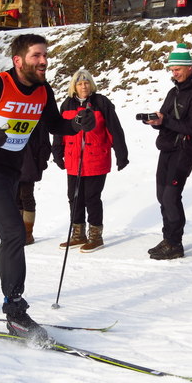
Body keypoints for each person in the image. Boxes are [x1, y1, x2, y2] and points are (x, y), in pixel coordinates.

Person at [0, 34, 95, 341]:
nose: (44, 61)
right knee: (13, 231)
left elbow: (54, 124)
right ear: (18, 60)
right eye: (37, 56)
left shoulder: (43, 90)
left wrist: (77, 124)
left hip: (11, 171)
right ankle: (15, 312)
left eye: (45, 55)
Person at [52, 69, 129, 253]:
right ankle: (78, 234)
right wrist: (57, 152)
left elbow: (114, 129)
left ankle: (96, 236)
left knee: (92, 198)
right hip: (74, 159)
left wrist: (121, 154)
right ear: (74, 86)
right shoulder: (67, 104)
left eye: (86, 82)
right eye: (80, 83)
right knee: (74, 197)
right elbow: (60, 130)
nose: (84, 86)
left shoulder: (101, 103)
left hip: (96, 158)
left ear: (91, 84)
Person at [145, 44, 192, 260]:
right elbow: (165, 118)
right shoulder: (174, 92)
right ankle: (168, 238)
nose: (175, 73)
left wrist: (165, 120)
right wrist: (156, 121)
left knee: (171, 196)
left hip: (184, 150)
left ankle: (175, 243)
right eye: (172, 70)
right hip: (167, 147)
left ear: (190, 67)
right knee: (161, 195)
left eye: (178, 69)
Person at [17, 124, 50, 245]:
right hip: (15, 160)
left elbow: (44, 142)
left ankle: (27, 233)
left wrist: (41, 161)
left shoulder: (37, 117)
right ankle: (18, 231)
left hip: (30, 161)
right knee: (15, 197)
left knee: (26, 196)